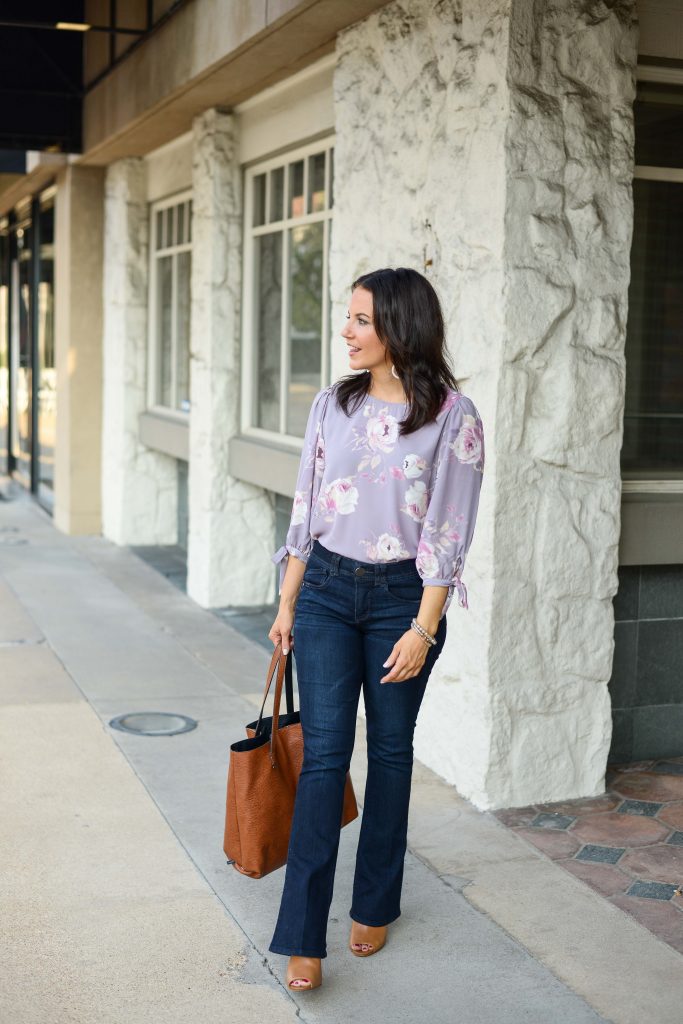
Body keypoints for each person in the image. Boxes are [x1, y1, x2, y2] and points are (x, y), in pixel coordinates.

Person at [268, 267, 484, 991]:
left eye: (361, 320)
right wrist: (287, 603)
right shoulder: (335, 403)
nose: (346, 332)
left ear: (399, 326)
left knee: (390, 753)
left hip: (403, 602)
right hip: (328, 588)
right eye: (348, 318)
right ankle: (302, 936)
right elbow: (305, 505)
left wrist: (423, 629)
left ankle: (375, 900)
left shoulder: (453, 417)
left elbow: (448, 531)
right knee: (325, 759)